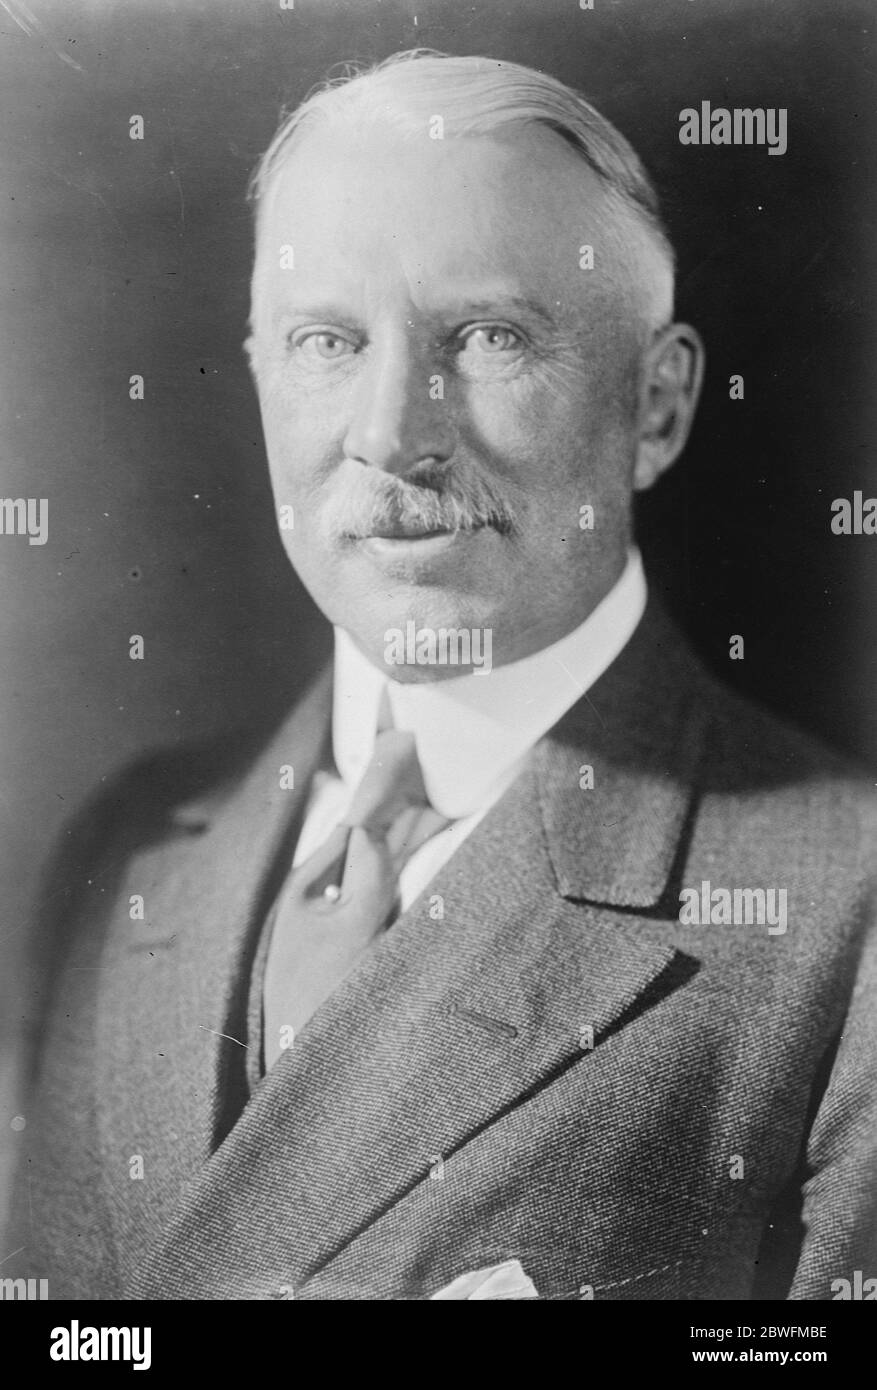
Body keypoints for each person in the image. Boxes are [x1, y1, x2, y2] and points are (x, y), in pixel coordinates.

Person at [15, 49, 877, 1301]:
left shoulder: (843, 913)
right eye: (326, 339)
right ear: (259, 371)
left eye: (485, 336)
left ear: (656, 406)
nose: (388, 433)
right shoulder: (128, 854)